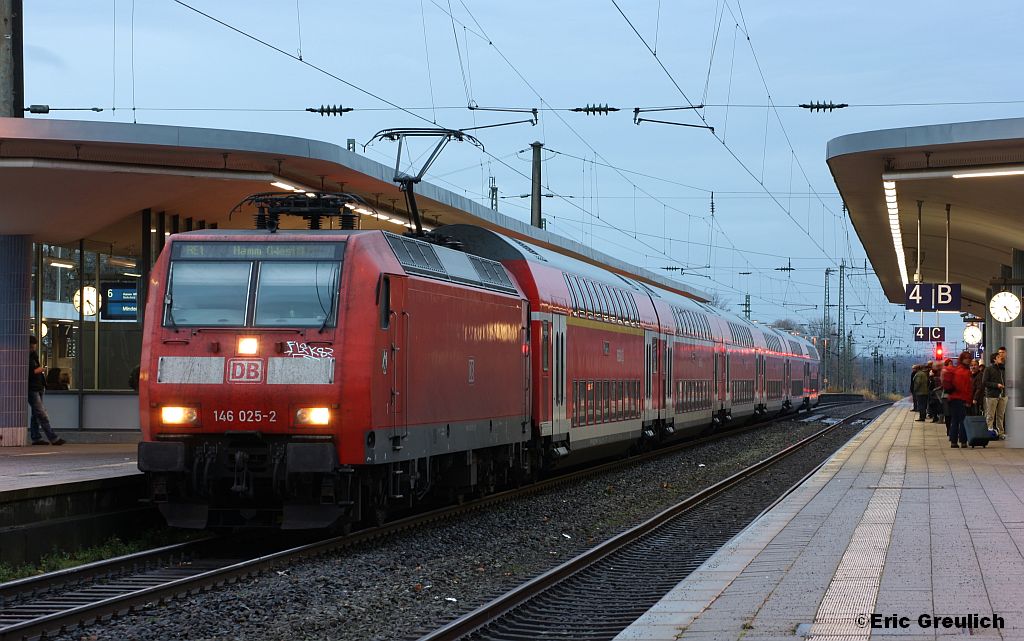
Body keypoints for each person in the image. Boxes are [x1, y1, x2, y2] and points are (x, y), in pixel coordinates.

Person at [28, 336, 64, 446]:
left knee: (36, 414)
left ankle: (36, 437)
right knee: (41, 413)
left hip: (38, 387)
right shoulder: (25, 358)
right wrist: (39, 370)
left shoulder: (33, 356)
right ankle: (53, 437)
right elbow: (28, 373)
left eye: (34, 347)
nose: (32, 349)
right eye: (31, 347)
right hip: (32, 388)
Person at [946, 351, 975, 448]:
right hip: (962, 399)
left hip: (953, 399)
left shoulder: (955, 370)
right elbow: (968, 389)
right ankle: (963, 441)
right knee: (963, 421)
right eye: (967, 358)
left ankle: (953, 441)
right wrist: (969, 401)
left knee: (954, 420)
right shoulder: (967, 373)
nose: (968, 360)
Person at [983, 351, 1007, 439]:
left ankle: (1001, 432)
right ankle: (989, 431)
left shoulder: (1003, 369)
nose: (1001, 358)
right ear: (994, 359)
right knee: (990, 415)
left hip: (1003, 395)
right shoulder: (988, 369)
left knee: (1001, 415)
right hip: (992, 395)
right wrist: (996, 385)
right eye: (998, 357)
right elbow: (985, 382)